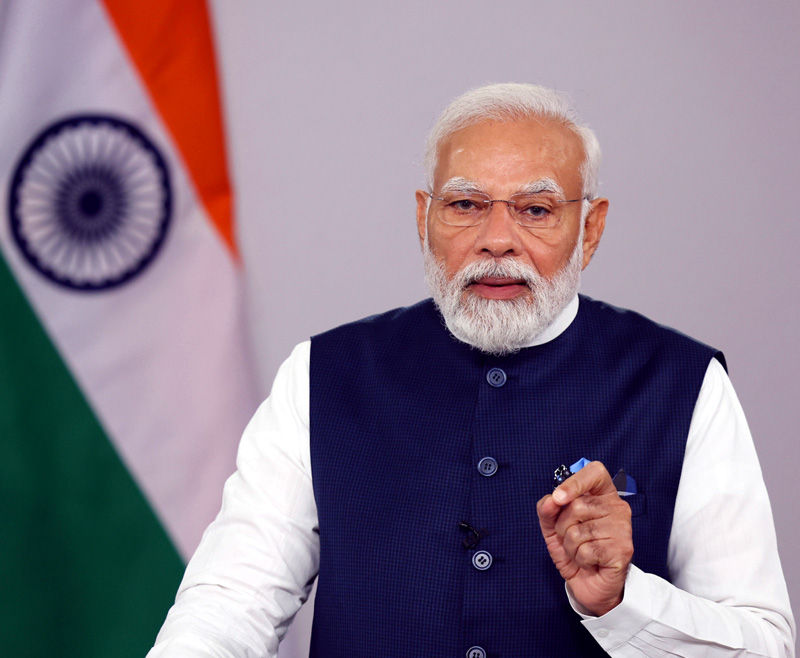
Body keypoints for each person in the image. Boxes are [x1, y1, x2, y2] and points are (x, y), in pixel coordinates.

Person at [147, 84, 795, 657]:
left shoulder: (681, 383)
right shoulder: (324, 376)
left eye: (535, 210)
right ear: (424, 217)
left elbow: (766, 646)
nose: (496, 238)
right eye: (465, 205)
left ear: (590, 230)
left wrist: (622, 602)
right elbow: (231, 605)